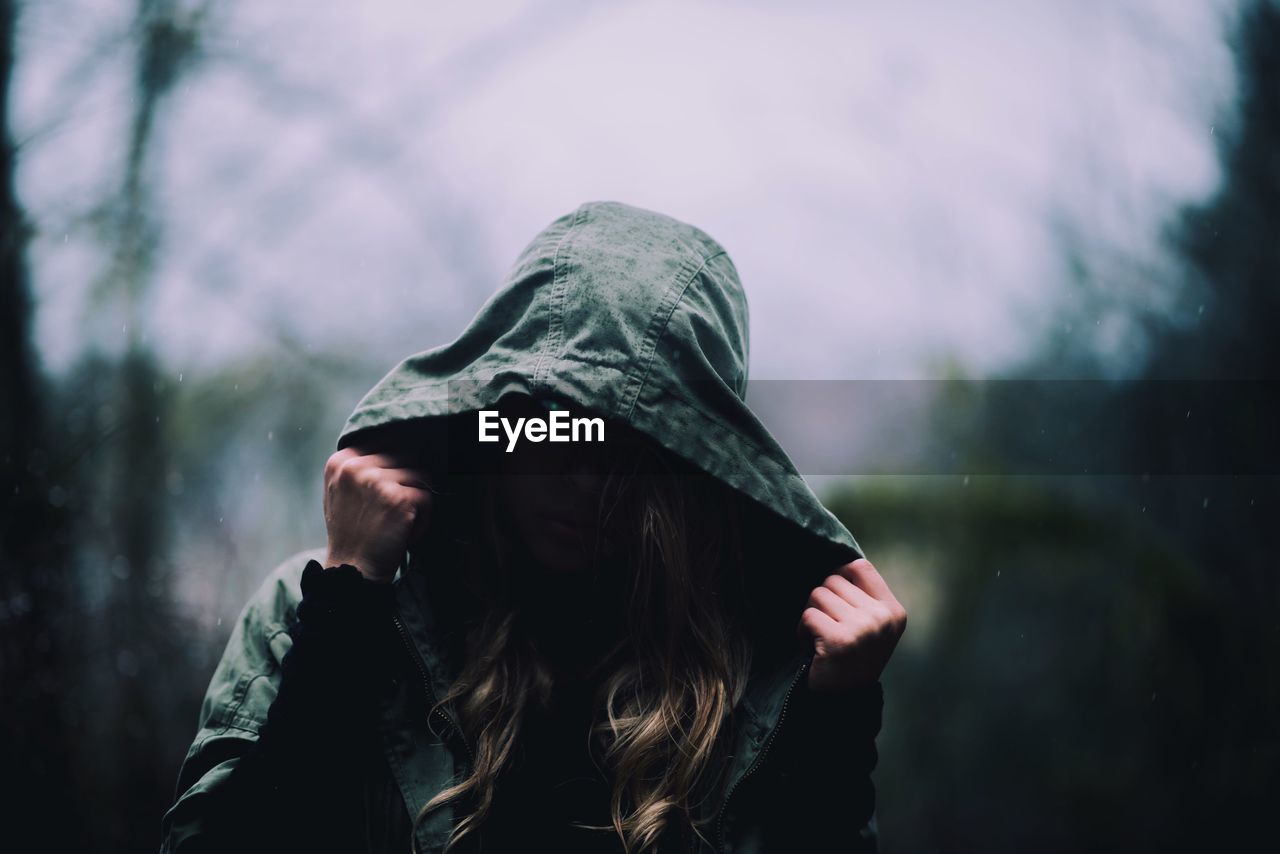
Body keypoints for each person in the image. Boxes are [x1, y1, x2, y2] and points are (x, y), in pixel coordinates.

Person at [160, 201, 907, 853]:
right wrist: (348, 606)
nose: (576, 476)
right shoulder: (318, 608)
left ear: (691, 474)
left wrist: (833, 729)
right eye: (542, 429)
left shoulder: (763, 674)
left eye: (623, 448)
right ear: (491, 423)